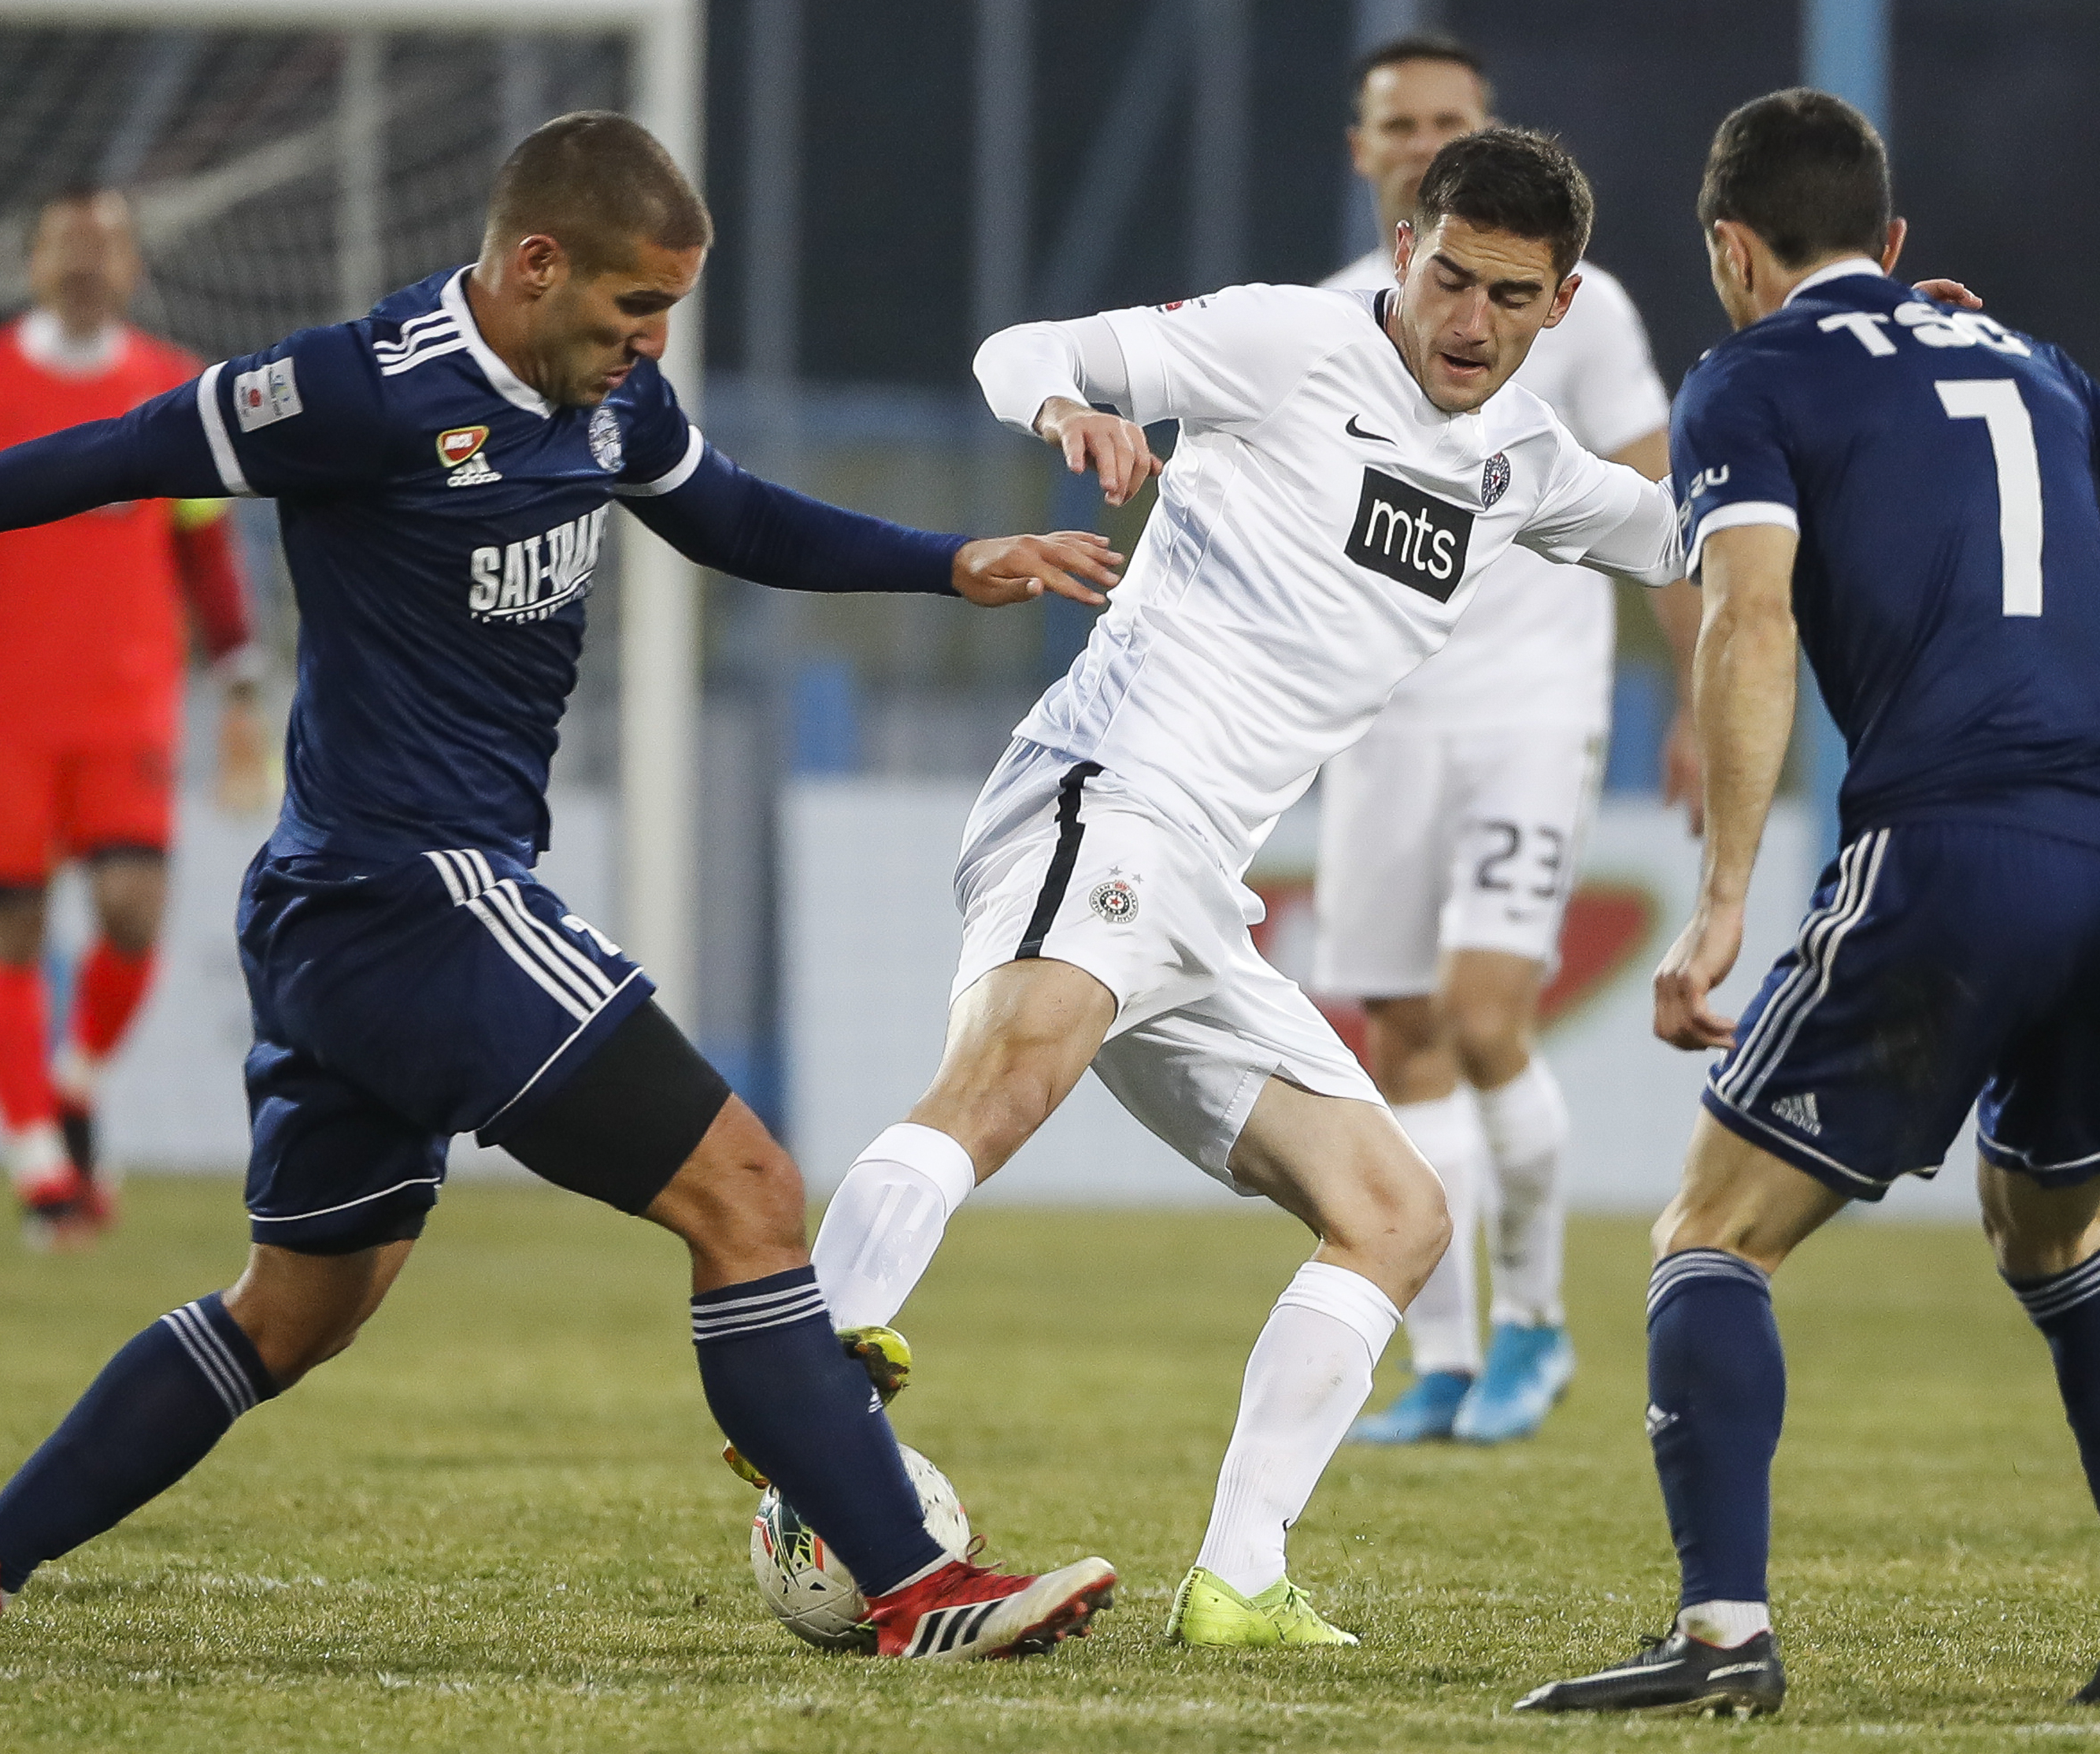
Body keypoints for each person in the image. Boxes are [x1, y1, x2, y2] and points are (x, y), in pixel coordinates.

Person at [0, 113, 1124, 1663]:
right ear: (536, 263)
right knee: (745, 1190)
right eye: (629, 309)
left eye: (668, 310)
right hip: (406, 893)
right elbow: (121, 449)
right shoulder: (352, 389)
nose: (650, 344)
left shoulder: (607, 398)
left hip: (356, 915)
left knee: (294, 1310)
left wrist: (953, 560)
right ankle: (913, 1590)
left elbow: (727, 510)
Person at [802, 128, 1687, 1649]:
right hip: (1106, 793)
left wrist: (1861, 425)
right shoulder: (1286, 343)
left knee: (1397, 1215)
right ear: (1406, 248)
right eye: (1450, 276)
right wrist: (1074, 406)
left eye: (1510, 295)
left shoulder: (1524, 463)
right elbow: (1018, 347)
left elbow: (1689, 535)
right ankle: (799, 1385)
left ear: (1564, 302)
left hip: (1200, 889)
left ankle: (1241, 1578)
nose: (1469, 320)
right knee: (1009, 1077)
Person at [1517, 90, 2100, 1717]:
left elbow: (1748, 617)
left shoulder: (1751, 375)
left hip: (1955, 841)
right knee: (2054, 1229)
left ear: (1729, 249)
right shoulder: (2040, 369)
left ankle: (1721, 1639)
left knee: (1714, 1227)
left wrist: (1720, 904)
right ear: (1897, 245)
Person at [1322, 33, 1700, 1447]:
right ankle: (1449, 1356)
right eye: (1400, 122)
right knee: (1406, 1033)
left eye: (1450, 118)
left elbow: (1659, 499)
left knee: (1487, 1014)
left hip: (1531, 713)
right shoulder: (1323, 319)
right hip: (1380, 726)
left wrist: (1698, 695)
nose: (1424, 137)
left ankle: (1537, 1325)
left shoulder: (1573, 314)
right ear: (1365, 154)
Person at [0, 188, 269, 1248]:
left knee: (133, 909)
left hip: (126, 702)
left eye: (107, 247)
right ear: (30, 257)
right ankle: (41, 1167)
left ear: (132, 265)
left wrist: (242, 680)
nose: (86, 265)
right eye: (67, 245)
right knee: (12, 931)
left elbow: (204, 546)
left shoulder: (174, 389)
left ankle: (74, 1085)